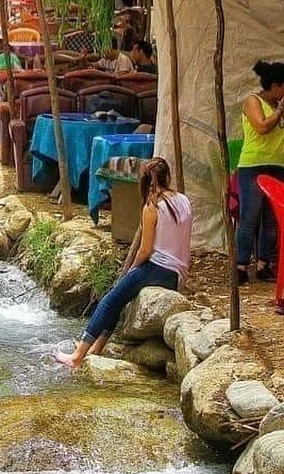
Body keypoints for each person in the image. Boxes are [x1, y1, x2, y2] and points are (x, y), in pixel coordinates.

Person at [56, 157, 191, 369]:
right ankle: (97, 347)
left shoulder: (152, 207)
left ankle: (76, 357)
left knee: (110, 300)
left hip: (158, 268)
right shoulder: (184, 200)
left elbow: (145, 250)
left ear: (145, 183)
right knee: (120, 298)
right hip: (178, 274)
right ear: (169, 177)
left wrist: (132, 270)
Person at [235, 60, 284, 283]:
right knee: (250, 217)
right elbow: (262, 127)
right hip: (253, 166)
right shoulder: (252, 101)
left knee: (272, 219)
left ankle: (264, 264)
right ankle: (241, 266)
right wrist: (280, 111)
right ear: (276, 86)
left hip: (278, 165)